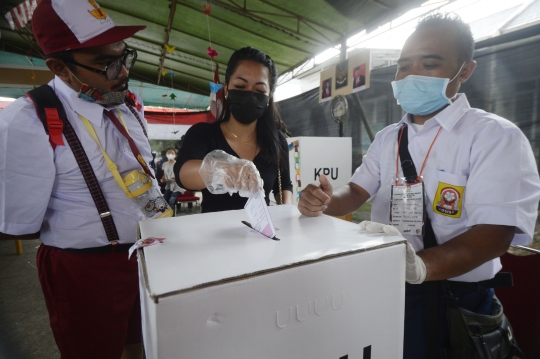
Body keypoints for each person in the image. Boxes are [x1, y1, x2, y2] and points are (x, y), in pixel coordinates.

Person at [297, 13, 540, 359]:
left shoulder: (494, 137)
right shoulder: (388, 138)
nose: (410, 76)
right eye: (402, 66)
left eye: (429, 64)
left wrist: (421, 266)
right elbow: (354, 192)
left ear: (465, 70)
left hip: (455, 299)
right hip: (387, 285)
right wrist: (323, 199)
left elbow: (496, 232)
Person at [0, 0, 157, 358]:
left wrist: (158, 217)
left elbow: (144, 177)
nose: (122, 72)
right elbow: (20, 223)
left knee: (146, 345)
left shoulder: (128, 104)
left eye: (124, 56)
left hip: (146, 255)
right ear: (60, 67)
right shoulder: (27, 120)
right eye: (106, 63)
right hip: (84, 269)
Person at [175, 47, 293, 213]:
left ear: (269, 98)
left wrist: (288, 212)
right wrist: (223, 169)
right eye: (240, 86)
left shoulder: (277, 140)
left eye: (259, 91)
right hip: (214, 235)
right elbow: (183, 174)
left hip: (261, 235)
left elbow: (284, 187)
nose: (250, 96)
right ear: (226, 90)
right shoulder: (203, 134)